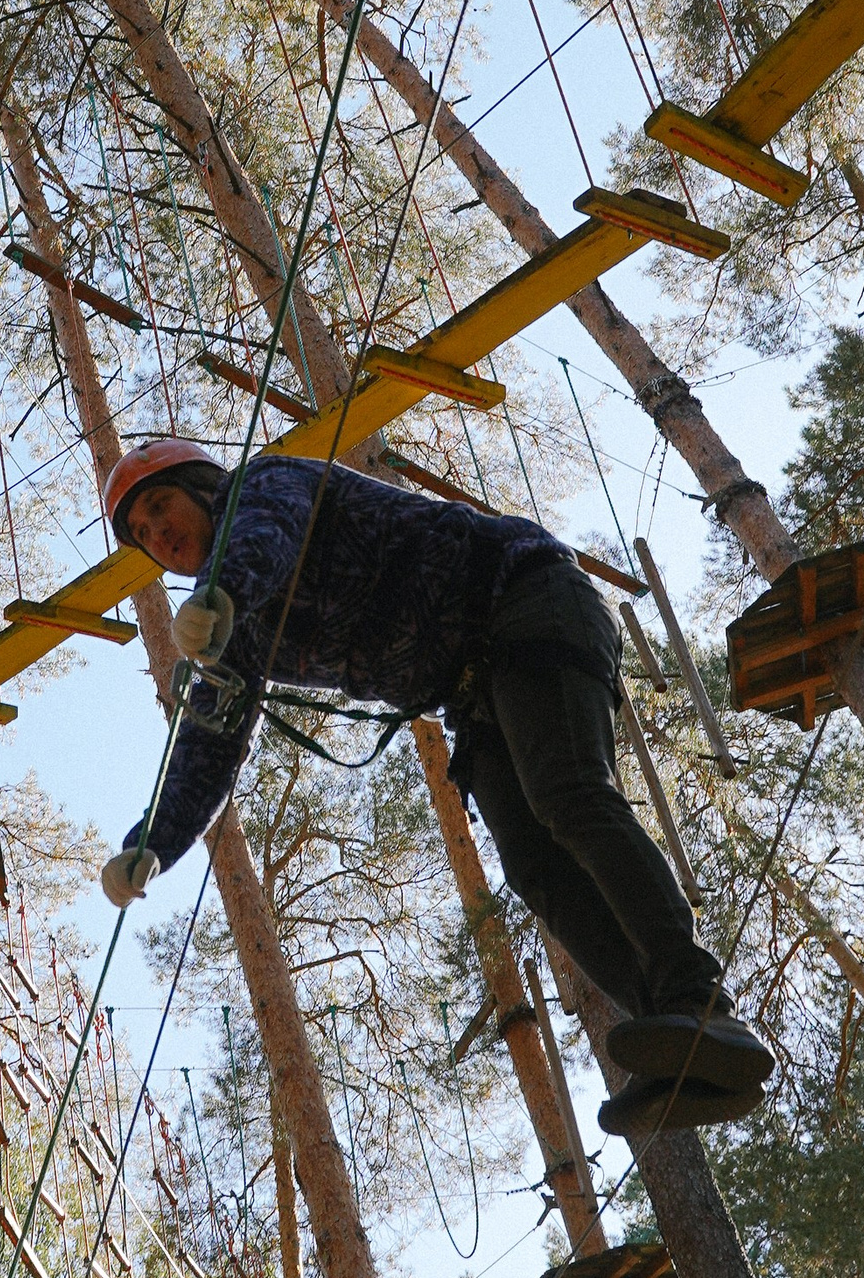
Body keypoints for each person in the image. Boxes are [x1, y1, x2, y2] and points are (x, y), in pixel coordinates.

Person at [94, 434, 774, 1130]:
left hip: (525, 599)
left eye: (161, 505)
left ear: (204, 488)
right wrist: (156, 841)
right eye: (142, 533)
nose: (159, 533)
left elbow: (266, 539)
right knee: (534, 867)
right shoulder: (222, 631)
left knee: (567, 794)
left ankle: (698, 1001)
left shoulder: (260, 489)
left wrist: (225, 591)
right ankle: (679, 1040)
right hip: (471, 687)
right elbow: (209, 742)